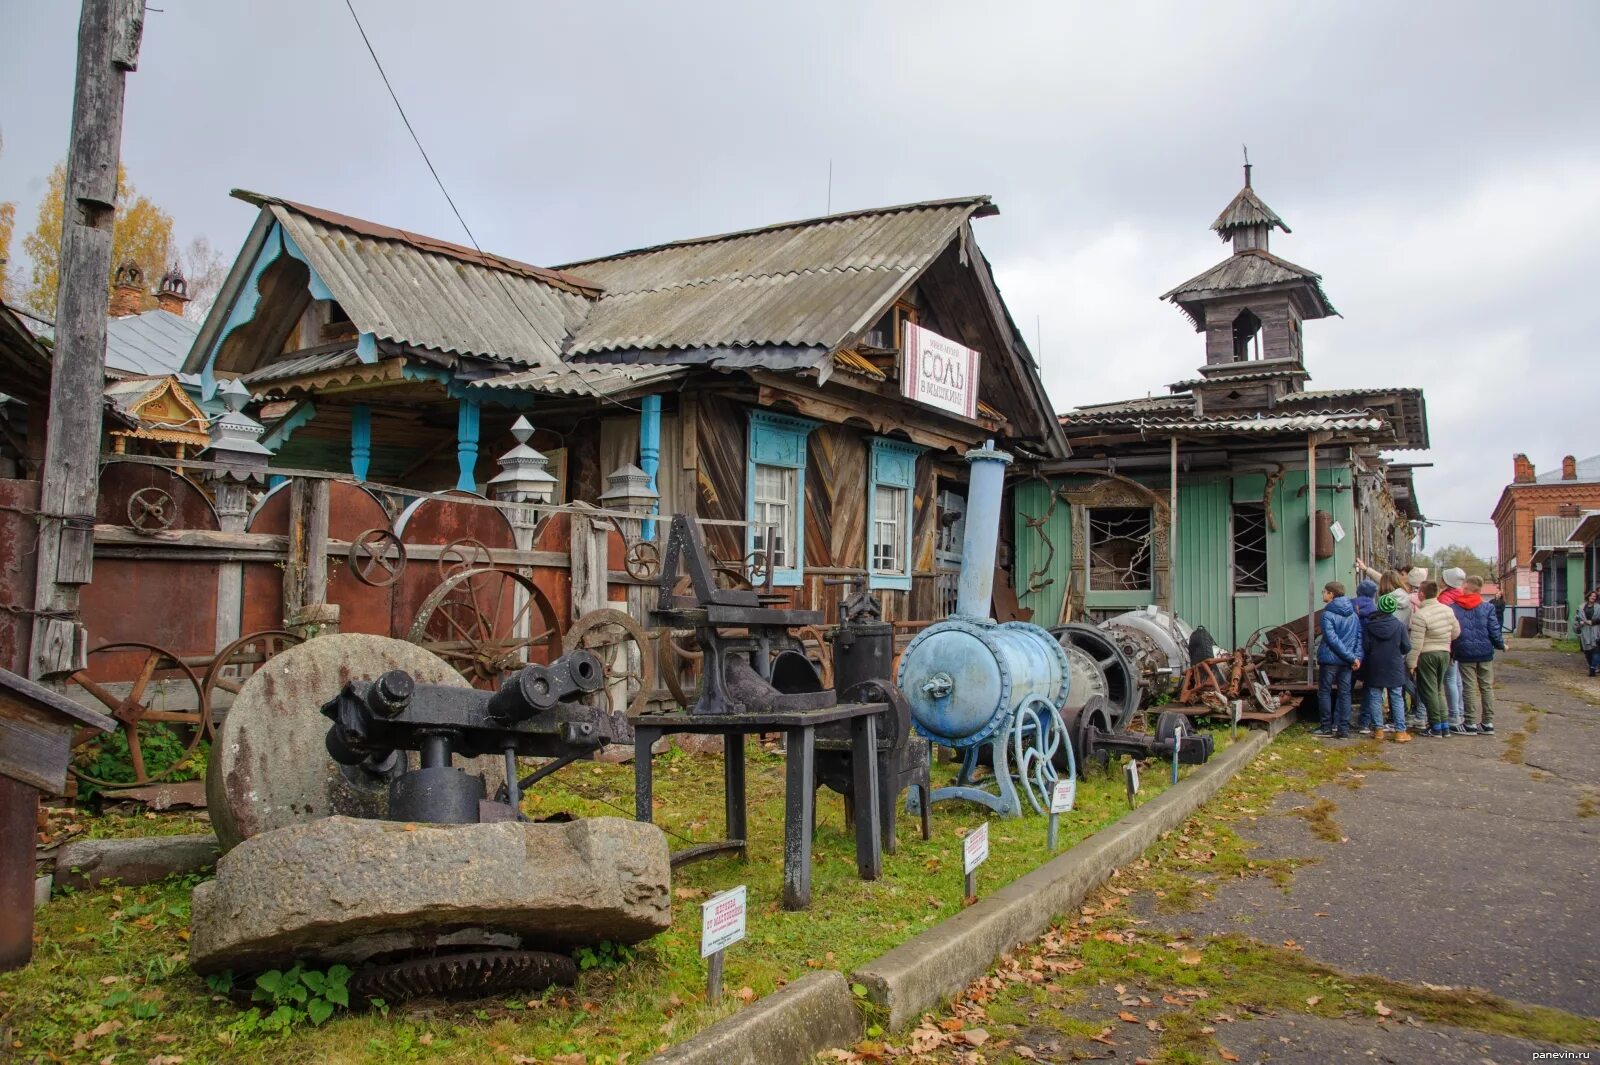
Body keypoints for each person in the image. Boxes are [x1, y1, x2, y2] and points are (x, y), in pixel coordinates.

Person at [1449, 575, 1504, 733]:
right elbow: (1494, 630)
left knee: (1469, 687)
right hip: (1485, 652)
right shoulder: (1487, 608)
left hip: (1464, 652)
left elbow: (1452, 632)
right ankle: (1488, 723)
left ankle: (1470, 722)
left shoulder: (1455, 608)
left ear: (1466, 587)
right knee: (1486, 687)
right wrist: (1500, 645)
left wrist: (1452, 650)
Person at [1408, 580, 1461, 737]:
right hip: (1445, 652)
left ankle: (1435, 726)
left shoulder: (1420, 615)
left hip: (1427, 655)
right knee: (1438, 690)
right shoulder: (1447, 610)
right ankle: (1444, 724)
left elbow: (1416, 642)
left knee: (1428, 691)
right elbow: (1456, 632)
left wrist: (1411, 662)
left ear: (1422, 595)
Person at [1363, 591, 1413, 741]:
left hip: (1375, 664)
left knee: (1375, 697)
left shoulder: (1370, 626)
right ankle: (1400, 731)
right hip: (1394, 665)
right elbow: (1407, 646)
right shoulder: (1399, 626)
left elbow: (1365, 646)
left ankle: (1378, 730)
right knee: (1397, 697)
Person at [1316, 581, 1363, 739]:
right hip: (1347, 662)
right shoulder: (1354, 615)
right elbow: (1358, 638)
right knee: (1345, 694)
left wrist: (1351, 657)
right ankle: (1343, 729)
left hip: (1330, 660)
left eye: (1324, 591)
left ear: (1331, 594)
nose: (1323, 594)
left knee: (1325, 692)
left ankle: (1326, 727)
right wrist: (1355, 657)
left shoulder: (1327, 615)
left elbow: (1332, 640)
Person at [1437, 567, 1468, 733]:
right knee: (1456, 679)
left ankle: (1453, 715)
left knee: (1449, 680)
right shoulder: (1462, 596)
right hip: (1458, 642)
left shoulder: (1445, 599)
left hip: (1446, 642)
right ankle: (1460, 711)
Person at [1578, 590, 1600, 677]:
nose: (1593, 597)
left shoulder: (1598, 607)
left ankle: (1593, 669)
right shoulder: (1581, 607)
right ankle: (1592, 665)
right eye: (1591, 596)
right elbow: (1577, 618)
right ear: (1588, 596)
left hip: (1596, 630)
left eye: (1595, 596)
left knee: (1596, 650)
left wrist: (1592, 621)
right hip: (1585, 631)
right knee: (1587, 652)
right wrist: (1580, 622)